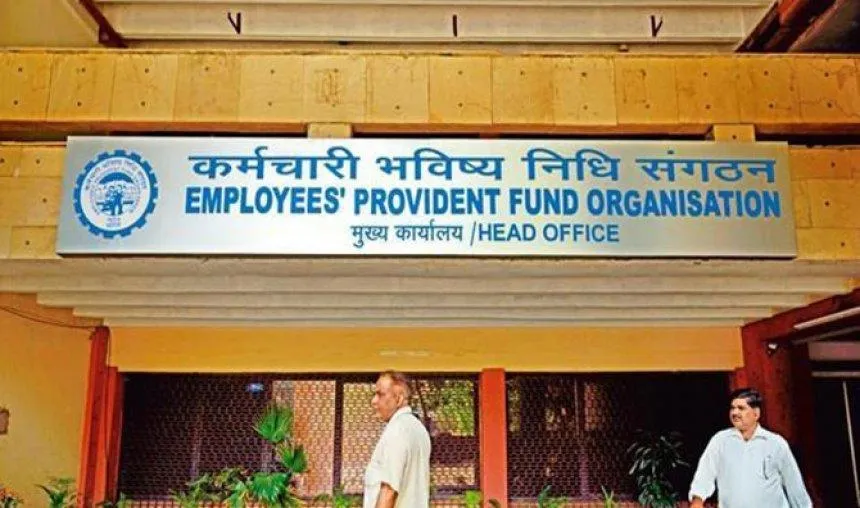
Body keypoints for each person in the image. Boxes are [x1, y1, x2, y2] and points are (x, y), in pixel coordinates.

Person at [688, 387, 813, 508]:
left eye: (741, 408)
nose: (735, 413)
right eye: (732, 408)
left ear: (756, 413)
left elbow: (794, 485)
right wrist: (697, 500)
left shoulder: (775, 443)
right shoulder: (720, 441)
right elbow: (705, 473)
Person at [364, 370, 431, 508]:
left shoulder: (397, 431)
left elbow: (389, 491)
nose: (374, 401)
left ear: (399, 399)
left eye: (380, 394)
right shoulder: (418, 429)